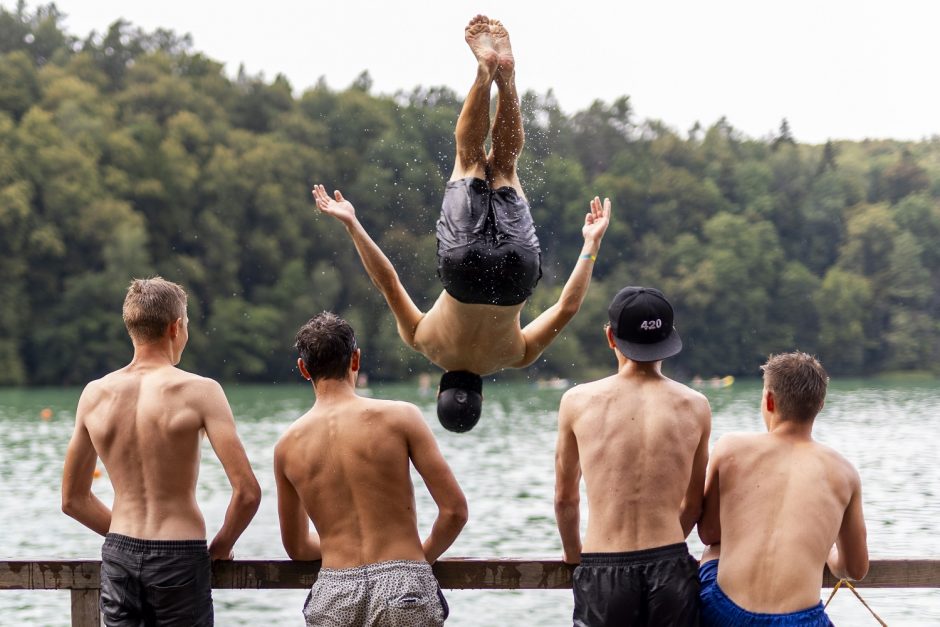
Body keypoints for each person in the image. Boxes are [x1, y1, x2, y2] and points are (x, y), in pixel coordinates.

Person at [313, 14, 611, 432]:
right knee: (471, 157)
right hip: (460, 266)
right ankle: (485, 72)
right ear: (439, 390)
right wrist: (351, 223)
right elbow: (387, 281)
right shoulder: (423, 342)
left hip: (516, 274)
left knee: (504, 166)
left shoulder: (515, 355)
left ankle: (506, 78)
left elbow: (568, 305)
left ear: (482, 395)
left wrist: (591, 242)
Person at [61, 277, 261, 626]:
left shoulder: (95, 395)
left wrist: (125, 533)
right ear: (176, 327)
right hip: (180, 557)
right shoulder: (200, 391)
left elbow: (72, 500)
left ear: (132, 329)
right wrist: (221, 546)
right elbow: (247, 492)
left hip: (120, 555)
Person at [274, 311, 468, 626]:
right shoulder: (401, 417)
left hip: (335, 589)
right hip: (405, 584)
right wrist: (415, 561)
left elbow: (296, 547)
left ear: (303, 369)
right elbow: (455, 511)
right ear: (356, 359)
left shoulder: (287, 445)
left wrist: (337, 545)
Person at [554, 286, 711, 626]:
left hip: (603, 566)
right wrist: (662, 550)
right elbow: (694, 505)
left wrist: (572, 555)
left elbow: (566, 500)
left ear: (610, 336)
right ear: (669, 338)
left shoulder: (577, 402)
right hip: (671, 567)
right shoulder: (696, 406)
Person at [697, 352, 869, 626]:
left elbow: (709, 533)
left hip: (725, 613)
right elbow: (856, 568)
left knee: (712, 553)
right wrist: (825, 552)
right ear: (820, 406)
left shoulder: (730, 447)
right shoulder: (844, 473)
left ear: (768, 400)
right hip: (799, 621)